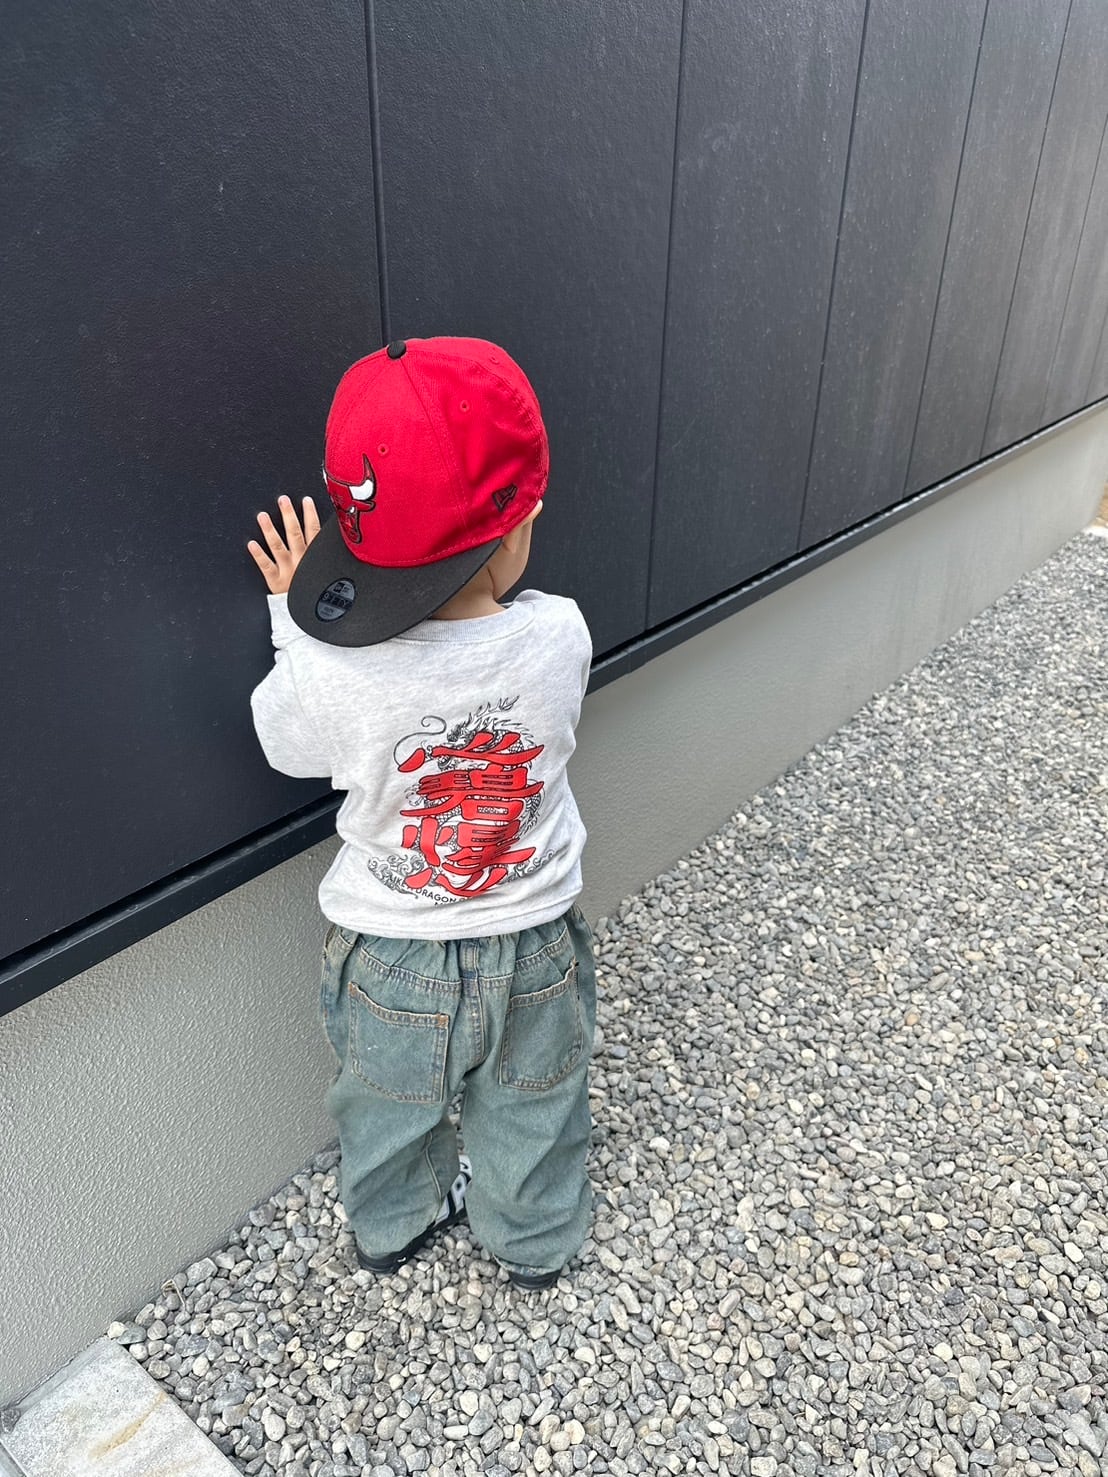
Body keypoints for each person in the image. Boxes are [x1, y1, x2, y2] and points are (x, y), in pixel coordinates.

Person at [246, 336, 596, 1290]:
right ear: (516, 530)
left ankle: (393, 1226)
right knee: (535, 1107)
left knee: (386, 1105)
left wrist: (295, 618)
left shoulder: (338, 673)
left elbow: (283, 742)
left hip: (394, 955)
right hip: (534, 940)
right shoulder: (561, 635)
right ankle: (532, 1241)